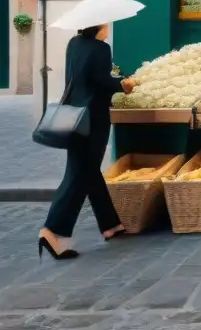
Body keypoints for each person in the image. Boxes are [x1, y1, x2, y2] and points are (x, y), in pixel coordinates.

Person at [38, 25, 137, 260]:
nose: (108, 29)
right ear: (98, 26)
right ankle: (52, 230)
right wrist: (123, 84)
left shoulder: (74, 44)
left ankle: (110, 224)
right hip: (93, 118)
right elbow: (101, 81)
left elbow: (81, 77)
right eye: (106, 24)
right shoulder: (101, 48)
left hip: (74, 115)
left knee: (88, 169)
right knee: (79, 173)